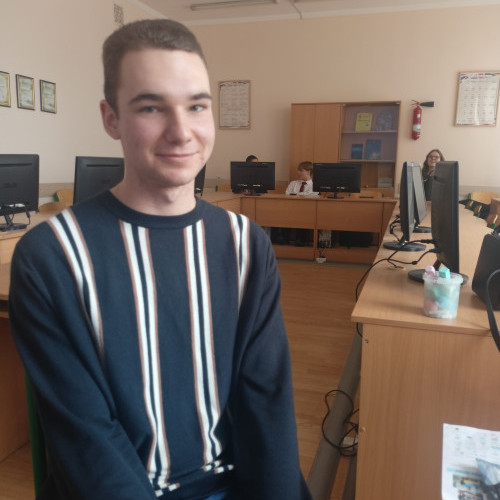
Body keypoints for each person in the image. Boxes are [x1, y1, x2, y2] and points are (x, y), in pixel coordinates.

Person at [9, 19, 311, 500]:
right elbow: (87, 441)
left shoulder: (245, 244)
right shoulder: (51, 257)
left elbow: (267, 406)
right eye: (151, 107)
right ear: (111, 119)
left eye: (196, 106)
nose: (181, 131)